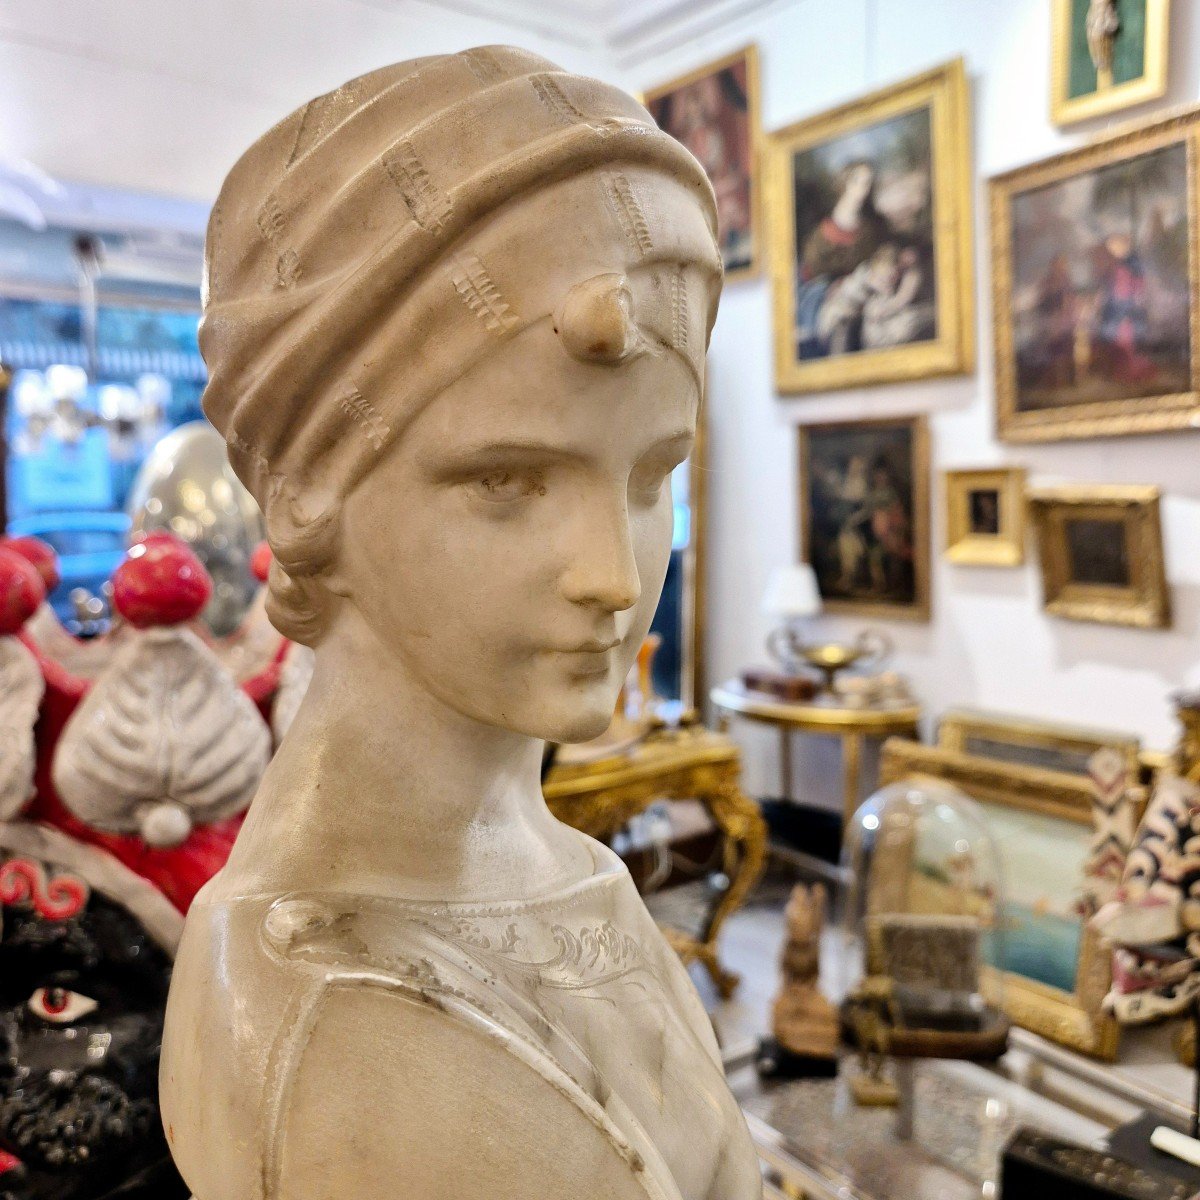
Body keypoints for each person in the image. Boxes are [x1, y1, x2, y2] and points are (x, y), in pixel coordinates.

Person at [160, 47, 760, 1200]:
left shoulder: (573, 870)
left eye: (650, 477)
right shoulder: (327, 1006)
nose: (612, 577)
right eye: (507, 481)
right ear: (306, 491)